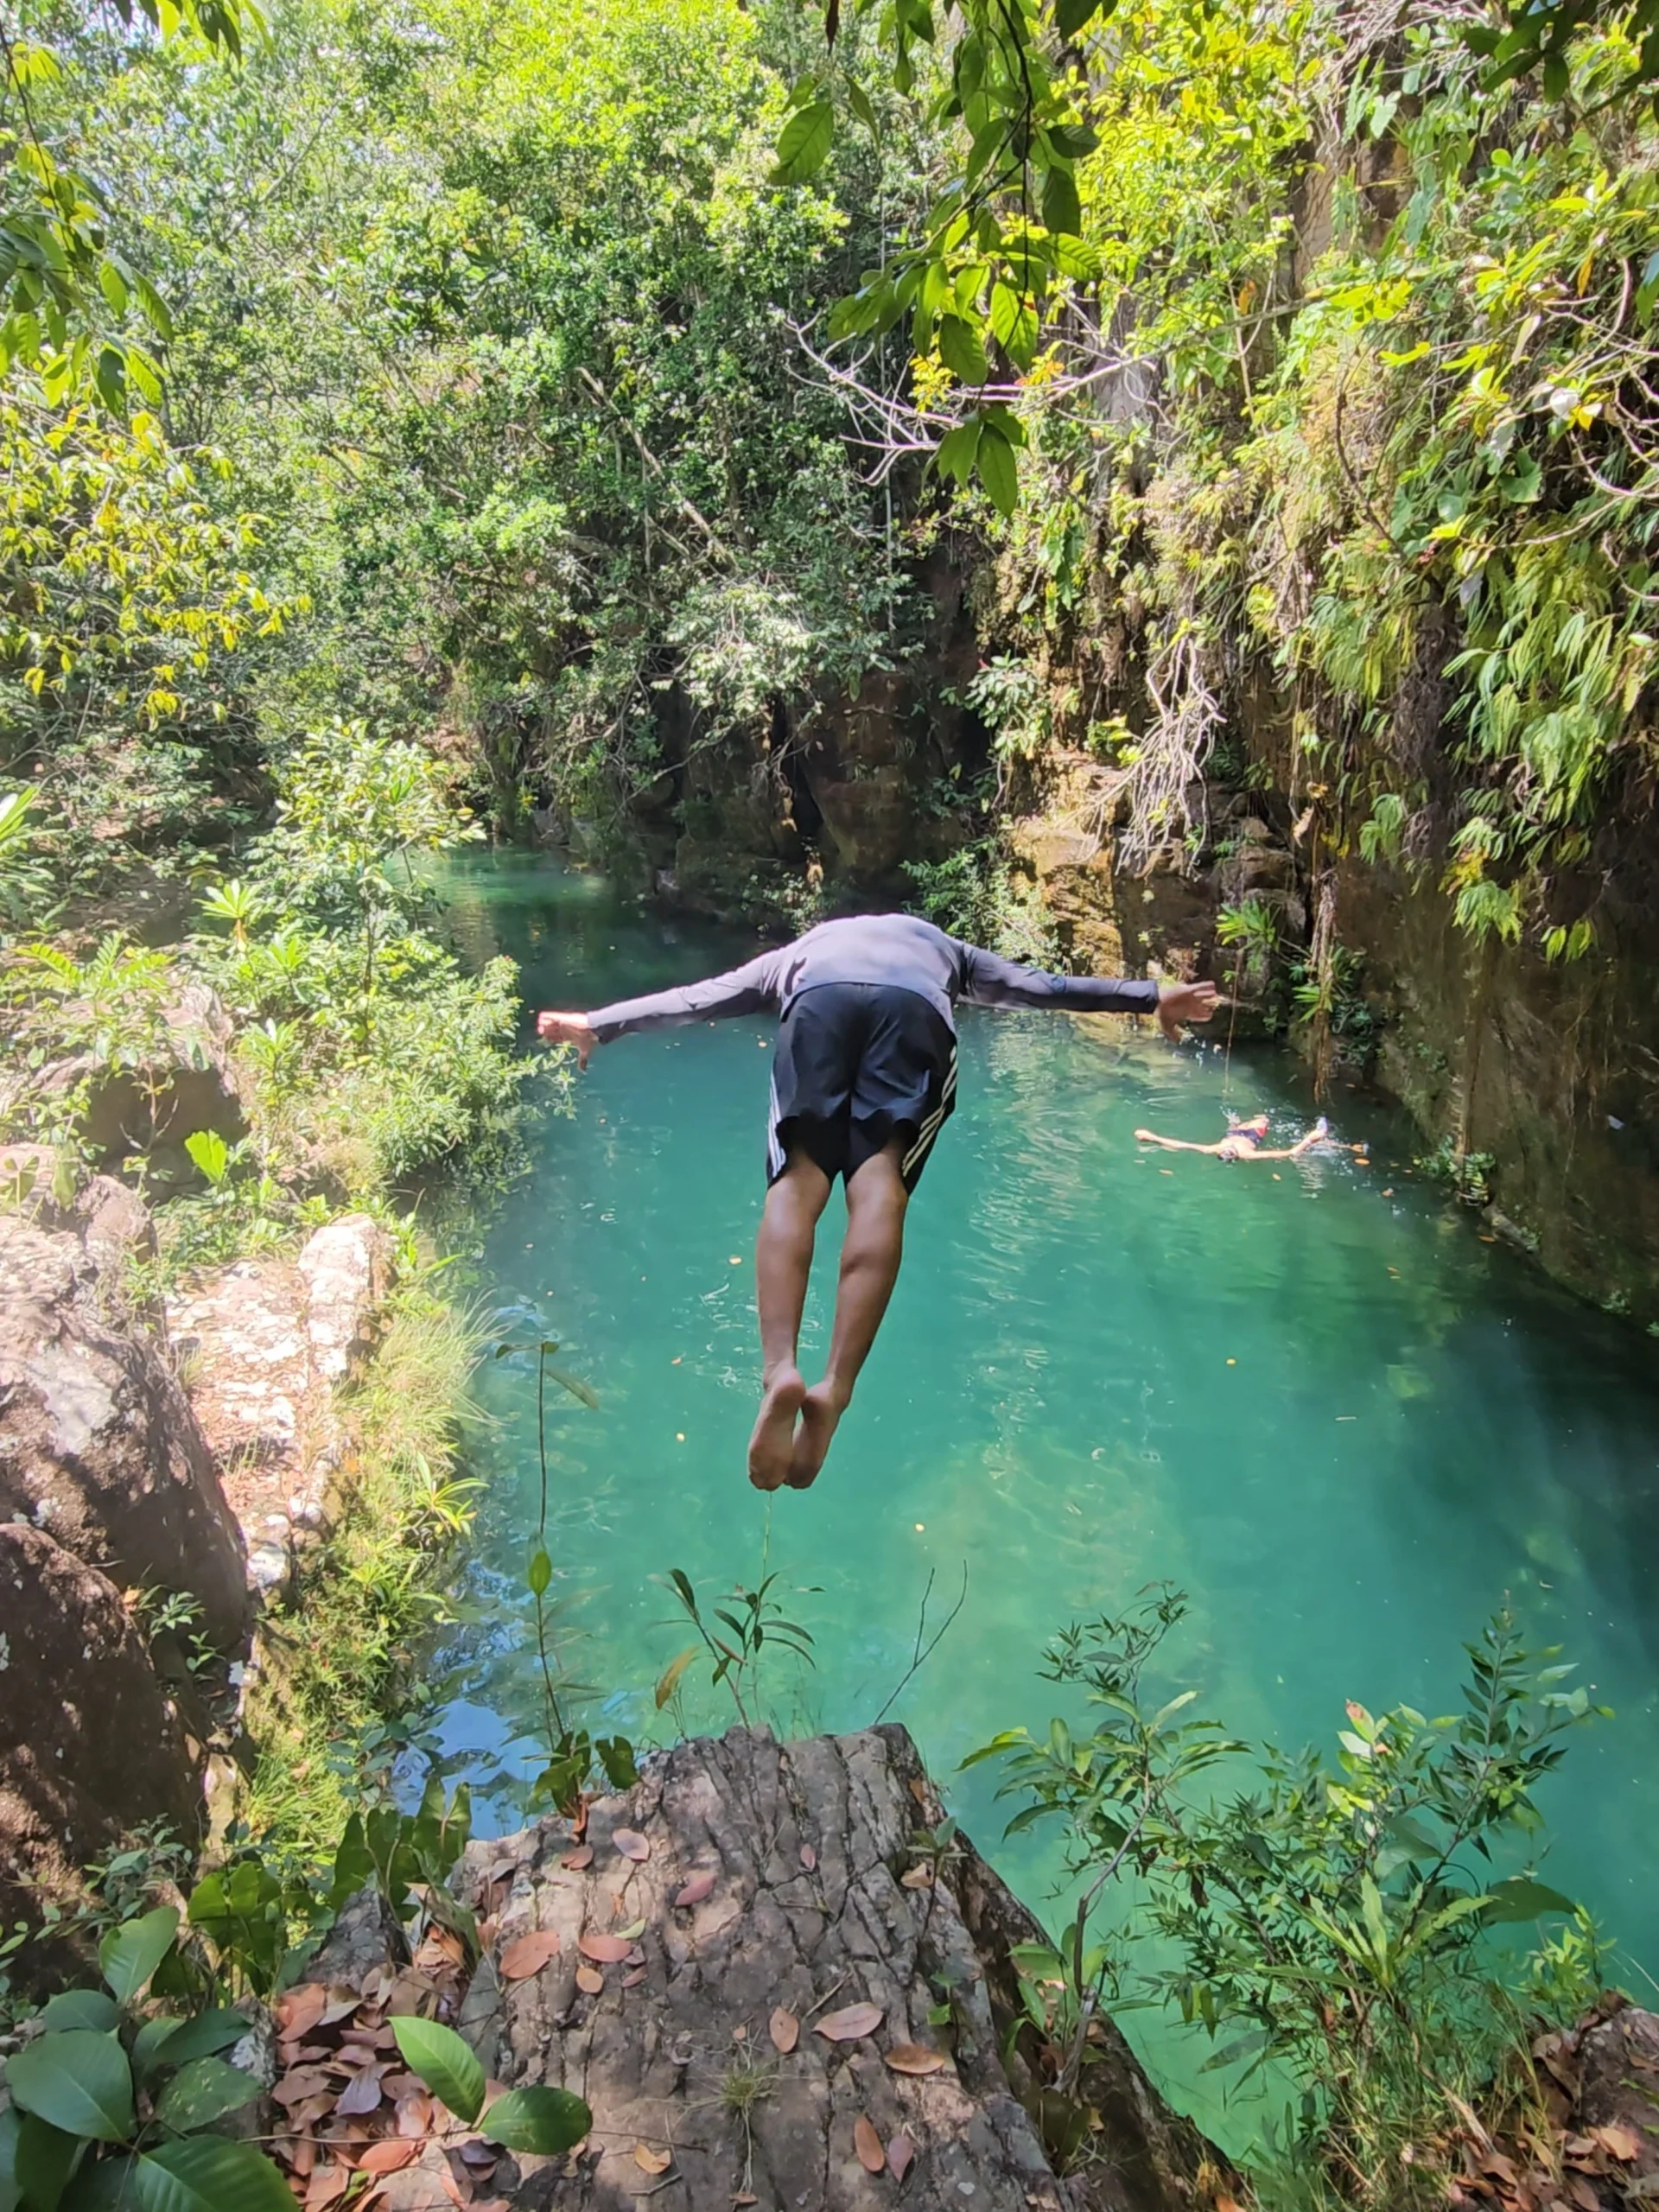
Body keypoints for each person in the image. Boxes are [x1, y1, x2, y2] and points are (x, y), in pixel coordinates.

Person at [537, 912, 1217, 1492]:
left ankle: (780, 1369)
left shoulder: (803, 950)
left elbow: (702, 997)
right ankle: (835, 1385)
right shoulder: (941, 947)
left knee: (798, 1182)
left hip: (817, 1002)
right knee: (879, 1184)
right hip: (914, 1010)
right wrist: (1149, 996)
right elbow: (1040, 987)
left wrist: (600, 1022)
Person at [1134, 1110, 1350, 1162]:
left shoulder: (1215, 1149)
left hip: (1233, 1132)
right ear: (1234, 1157)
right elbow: (1288, 1153)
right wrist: (1312, 1138)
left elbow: (1181, 1145)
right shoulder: (1246, 1154)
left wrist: (1152, 1137)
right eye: (1230, 1153)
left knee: (1236, 1119)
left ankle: (1238, 1120)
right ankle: (1322, 1129)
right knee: (1263, 1118)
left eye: (1225, 1152)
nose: (1228, 1151)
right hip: (1253, 1135)